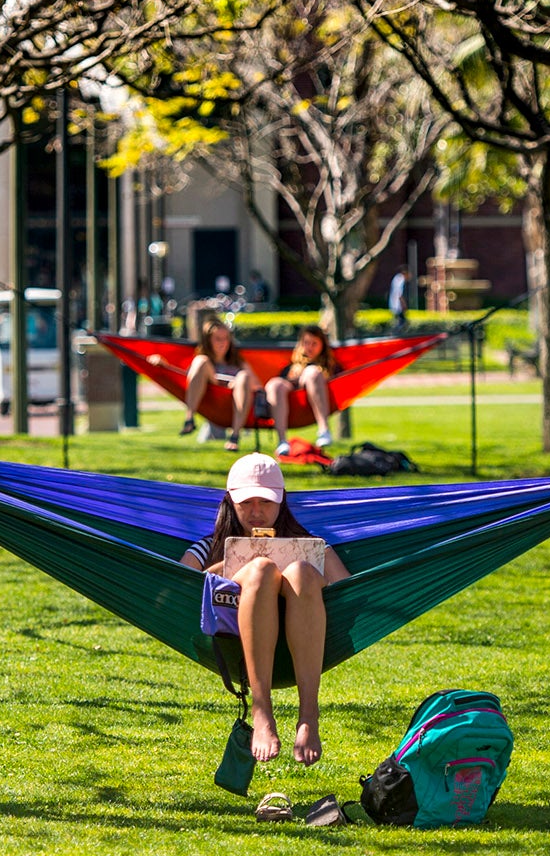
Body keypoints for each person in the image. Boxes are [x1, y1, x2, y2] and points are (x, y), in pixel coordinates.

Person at [180, 454, 350, 765]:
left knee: (300, 570)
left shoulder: (308, 543)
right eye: (247, 503)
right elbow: (179, 588)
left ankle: (308, 716)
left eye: (266, 502)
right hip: (235, 640)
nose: (257, 512)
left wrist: (303, 566)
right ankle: (262, 712)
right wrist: (232, 565)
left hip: (302, 636)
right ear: (230, 501)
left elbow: (349, 590)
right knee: (259, 569)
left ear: (282, 501)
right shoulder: (210, 546)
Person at [178, 318, 256, 452]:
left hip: (235, 403)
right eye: (218, 339)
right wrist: (162, 364)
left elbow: (257, 387)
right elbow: (181, 377)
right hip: (212, 399)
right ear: (208, 341)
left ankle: (235, 436)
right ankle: (189, 418)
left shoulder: (238, 362)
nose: (223, 343)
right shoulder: (202, 362)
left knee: (243, 376)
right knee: (201, 361)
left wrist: (235, 383)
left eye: (226, 338)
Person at [265, 324, 337, 458]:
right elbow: (283, 381)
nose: (309, 347)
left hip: (313, 398)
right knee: (274, 384)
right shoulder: (292, 366)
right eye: (306, 343)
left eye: (314, 343)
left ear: (322, 345)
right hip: (291, 400)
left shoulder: (329, 365)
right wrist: (295, 377)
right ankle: (282, 441)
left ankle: (324, 430)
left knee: (312, 373)